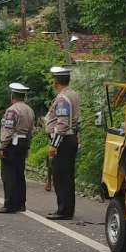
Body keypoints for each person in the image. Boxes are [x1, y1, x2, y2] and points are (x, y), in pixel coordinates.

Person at [44, 66, 80, 221]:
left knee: (61, 176)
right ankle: (66, 209)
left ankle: (63, 210)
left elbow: (62, 124)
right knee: (67, 176)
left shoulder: (62, 99)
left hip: (63, 141)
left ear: (55, 82)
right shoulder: (73, 94)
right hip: (70, 139)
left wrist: (54, 144)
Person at [0, 82, 35, 214]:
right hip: (23, 143)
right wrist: (28, 145)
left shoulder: (12, 110)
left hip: (13, 143)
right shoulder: (29, 110)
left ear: (12, 95)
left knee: (8, 174)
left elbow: (8, 129)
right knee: (19, 174)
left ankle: (9, 204)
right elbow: (31, 131)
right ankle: (20, 203)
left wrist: (2, 147)